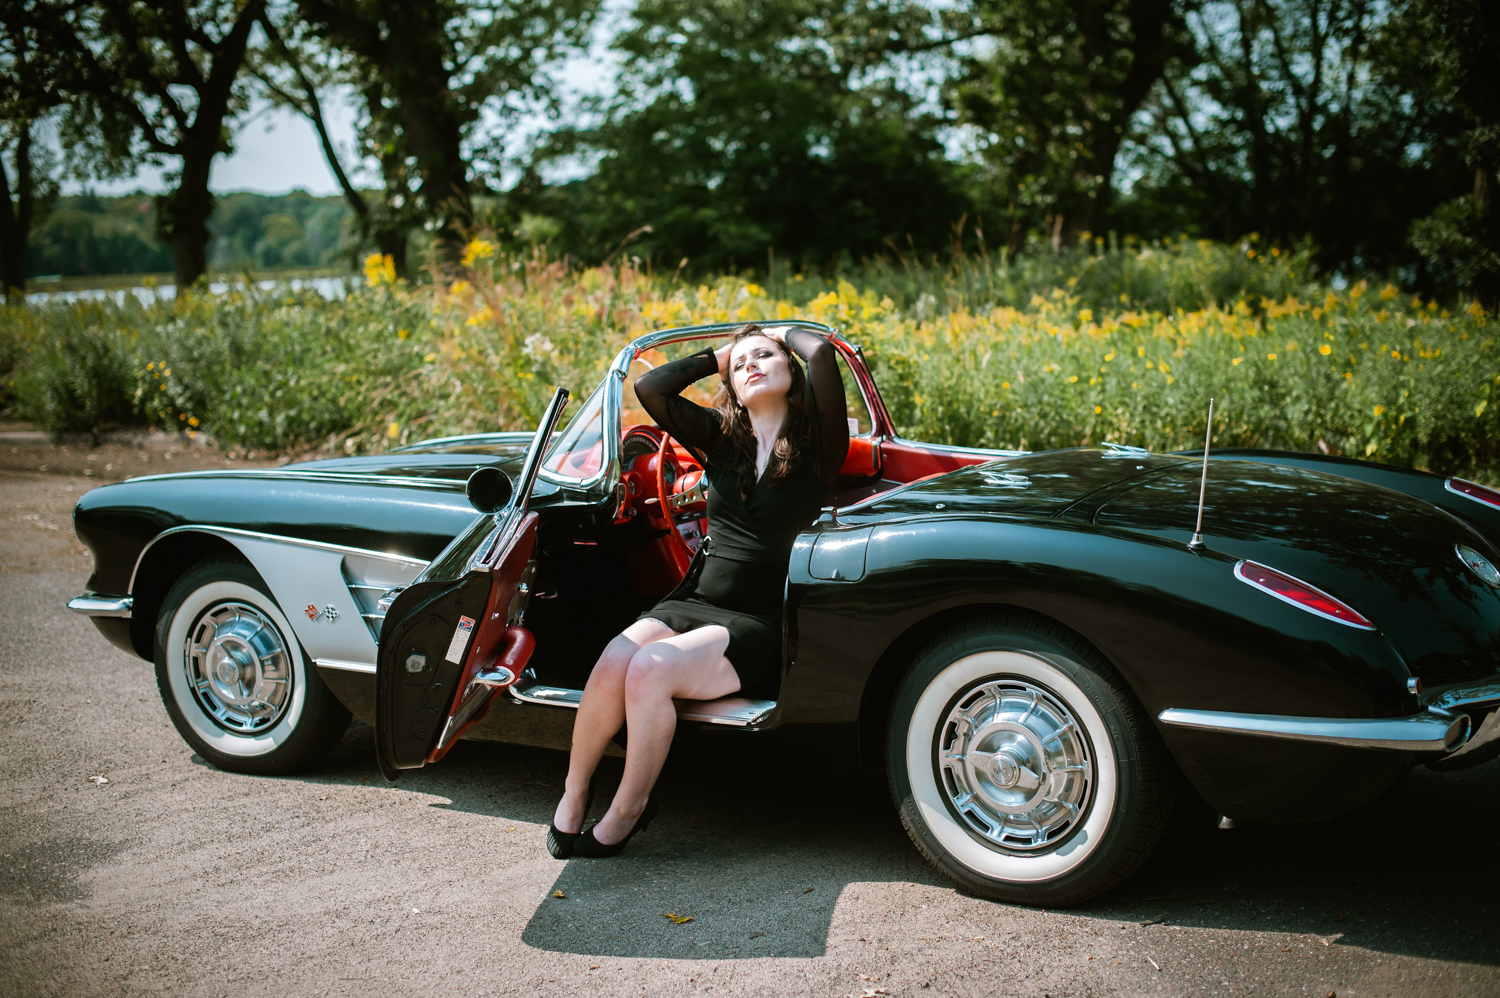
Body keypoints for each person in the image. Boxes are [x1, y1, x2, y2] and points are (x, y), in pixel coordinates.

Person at [548, 323, 850, 858]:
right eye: (742, 364)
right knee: (614, 659)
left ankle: (630, 808)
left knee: (650, 669)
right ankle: (574, 794)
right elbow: (652, 390)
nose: (751, 364)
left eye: (766, 356)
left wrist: (783, 333)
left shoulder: (820, 446)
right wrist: (720, 354)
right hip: (696, 600)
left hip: (761, 619)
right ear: (730, 385)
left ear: (790, 372)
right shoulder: (720, 438)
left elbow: (823, 354)